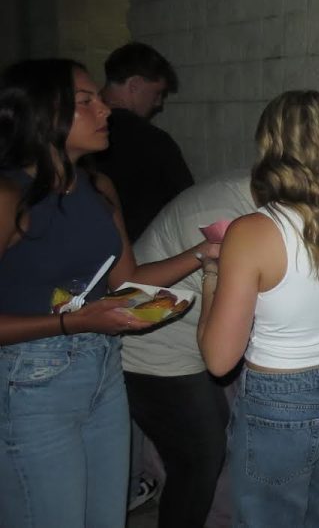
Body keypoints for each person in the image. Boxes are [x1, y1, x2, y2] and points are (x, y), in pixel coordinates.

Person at [0, 58, 219, 527]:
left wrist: (203, 252)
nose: (105, 110)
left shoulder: (99, 188)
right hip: (32, 380)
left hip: (102, 371)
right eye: (87, 101)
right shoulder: (8, 197)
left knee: (106, 517)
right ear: (44, 112)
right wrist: (73, 321)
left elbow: (125, 282)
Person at [197, 90, 319, 527]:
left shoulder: (253, 231)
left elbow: (218, 358)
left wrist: (212, 273)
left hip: (281, 399)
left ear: (270, 149)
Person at [122, 171, 256, 528]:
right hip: (151, 347)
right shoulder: (224, 215)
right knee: (201, 456)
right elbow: (232, 317)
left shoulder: (250, 200)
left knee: (203, 452)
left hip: (182, 342)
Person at [94, 41, 193, 242]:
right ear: (134, 85)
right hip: (141, 252)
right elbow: (187, 204)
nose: (158, 103)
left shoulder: (71, 137)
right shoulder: (154, 141)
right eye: (157, 93)